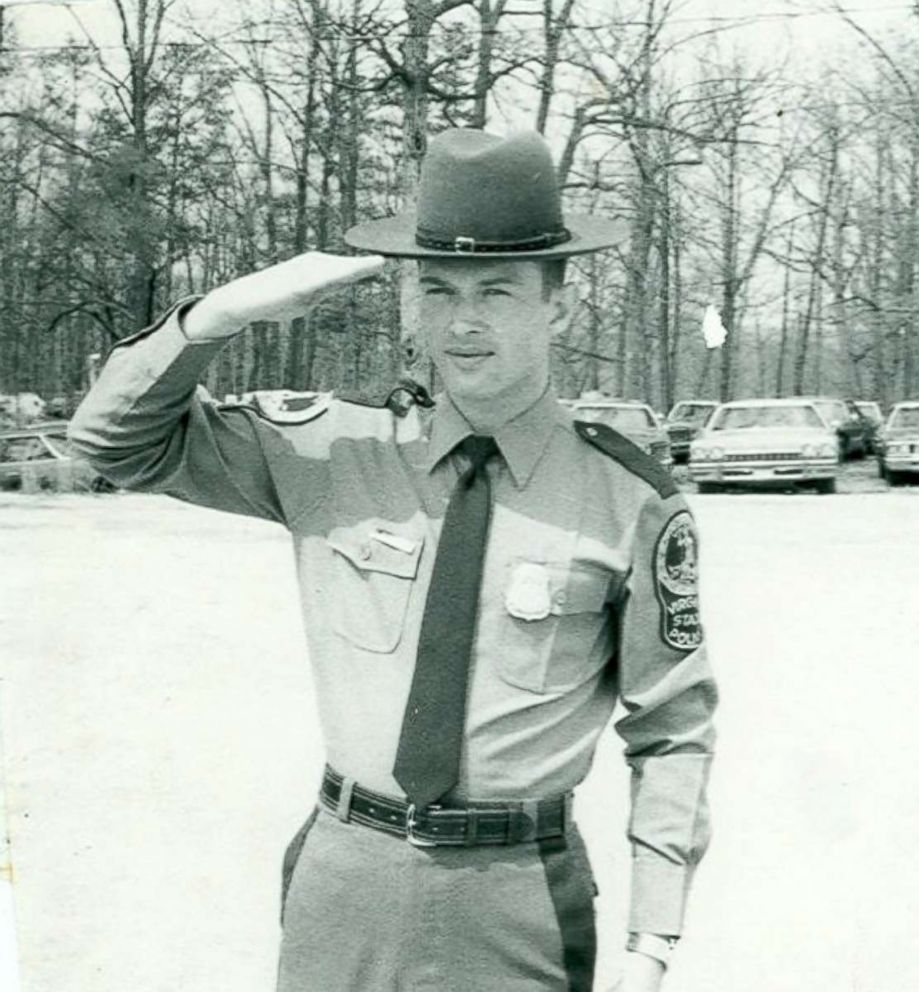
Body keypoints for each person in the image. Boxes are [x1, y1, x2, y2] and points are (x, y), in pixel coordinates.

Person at [69, 128, 716, 992]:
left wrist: (652, 938)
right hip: (345, 880)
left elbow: (671, 727)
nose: (464, 320)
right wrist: (217, 315)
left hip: (516, 894)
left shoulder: (628, 499)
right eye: (438, 290)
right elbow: (115, 442)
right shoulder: (337, 451)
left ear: (556, 305)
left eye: (496, 290)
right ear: (411, 301)